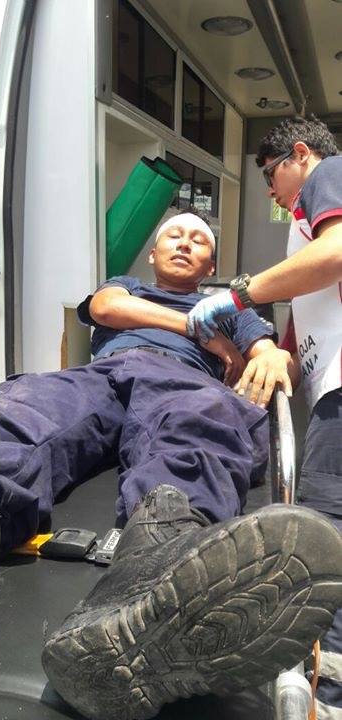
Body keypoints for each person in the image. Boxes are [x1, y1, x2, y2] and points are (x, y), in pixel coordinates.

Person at [0, 208, 341, 720]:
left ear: (210, 264)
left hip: (185, 385)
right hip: (104, 375)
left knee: (204, 426)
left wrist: (272, 355)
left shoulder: (232, 309)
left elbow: (267, 354)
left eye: (198, 241)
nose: (184, 243)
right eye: (174, 235)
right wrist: (199, 330)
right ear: (152, 255)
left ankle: (146, 593)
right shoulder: (128, 286)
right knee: (13, 412)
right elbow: (107, 307)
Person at [186, 116, 342, 718]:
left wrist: (240, 294)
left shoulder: (329, 175)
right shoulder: (301, 238)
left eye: (271, 175)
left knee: (327, 535)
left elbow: (336, 255)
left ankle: (328, 695)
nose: (272, 192)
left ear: (299, 154)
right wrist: (272, 358)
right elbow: (300, 342)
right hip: (328, 391)